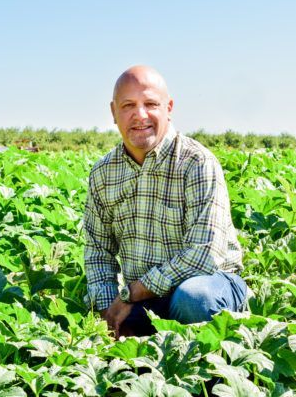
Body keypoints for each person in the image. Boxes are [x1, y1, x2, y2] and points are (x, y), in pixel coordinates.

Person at [84, 65, 246, 339]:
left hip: (210, 286)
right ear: (113, 112)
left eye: (150, 104)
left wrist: (131, 292)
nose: (140, 115)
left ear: (168, 107)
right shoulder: (103, 173)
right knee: (119, 334)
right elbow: (98, 253)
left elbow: (204, 255)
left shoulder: (196, 162)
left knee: (193, 298)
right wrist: (108, 311)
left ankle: (211, 375)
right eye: (128, 105)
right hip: (145, 300)